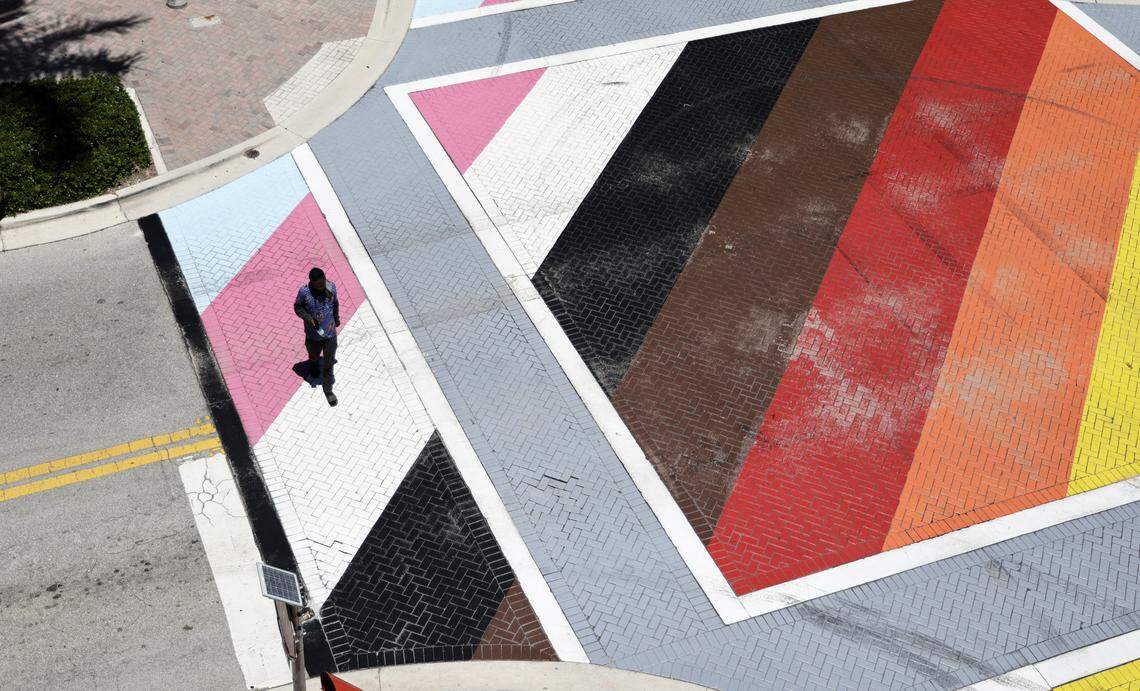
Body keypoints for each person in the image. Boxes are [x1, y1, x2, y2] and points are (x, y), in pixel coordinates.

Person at [294, 267, 340, 406]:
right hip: (313, 335)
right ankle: (313, 365)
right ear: (311, 283)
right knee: (313, 356)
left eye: (323, 283)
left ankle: (328, 390)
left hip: (330, 333)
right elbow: (298, 307)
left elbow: (335, 303)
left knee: (329, 362)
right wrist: (308, 318)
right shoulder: (304, 292)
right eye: (318, 285)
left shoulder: (331, 287)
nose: (321, 287)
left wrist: (336, 318)